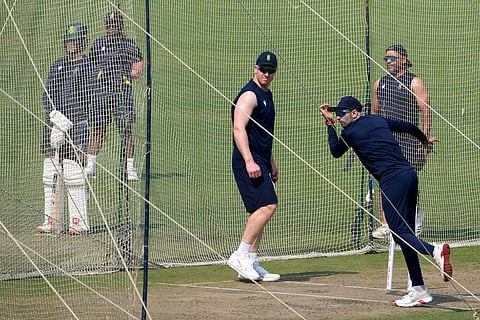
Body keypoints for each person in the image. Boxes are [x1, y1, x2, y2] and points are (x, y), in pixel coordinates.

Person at [319, 96, 452, 307]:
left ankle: (435, 251)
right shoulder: (378, 120)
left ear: (355, 113)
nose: (339, 117)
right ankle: (419, 289)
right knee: (404, 234)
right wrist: (424, 139)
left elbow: (335, 151)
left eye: (342, 114)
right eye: (336, 114)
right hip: (409, 175)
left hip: (392, 181)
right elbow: (408, 126)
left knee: (399, 232)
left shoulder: (349, 133)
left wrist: (328, 124)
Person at [227, 51, 280, 282]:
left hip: (261, 160)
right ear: (254, 69)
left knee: (258, 211)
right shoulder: (250, 95)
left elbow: (263, 134)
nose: (266, 74)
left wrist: (271, 161)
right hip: (247, 161)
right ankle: (240, 255)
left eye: (271, 71)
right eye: (263, 69)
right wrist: (249, 160)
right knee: (268, 206)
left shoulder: (267, 94)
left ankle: (249, 262)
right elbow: (239, 128)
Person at [37, 22, 95, 235]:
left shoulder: (89, 65)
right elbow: (47, 94)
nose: (71, 44)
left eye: (75, 41)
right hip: (53, 123)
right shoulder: (57, 65)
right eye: (68, 41)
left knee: (73, 171)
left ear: (82, 42)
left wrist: (66, 120)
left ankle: (78, 222)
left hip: (76, 123)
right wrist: (55, 117)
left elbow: (87, 98)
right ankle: (52, 220)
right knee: (50, 169)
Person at [371, 44, 432, 239]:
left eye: (393, 58)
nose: (388, 61)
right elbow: (374, 112)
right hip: (385, 141)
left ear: (404, 59)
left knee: (407, 181)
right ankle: (386, 223)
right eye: (386, 58)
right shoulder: (380, 83)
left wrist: (424, 140)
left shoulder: (414, 82)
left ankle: (415, 216)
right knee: (384, 181)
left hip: (409, 141)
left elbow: (426, 111)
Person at [85, 11, 144, 181]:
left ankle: (130, 169)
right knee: (98, 130)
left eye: (114, 25)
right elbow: (91, 64)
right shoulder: (99, 43)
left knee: (126, 130)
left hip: (122, 94)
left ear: (120, 25)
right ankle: (91, 167)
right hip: (101, 94)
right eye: (109, 25)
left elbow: (138, 65)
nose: (111, 28)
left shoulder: (128, 44)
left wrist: (128, 74)